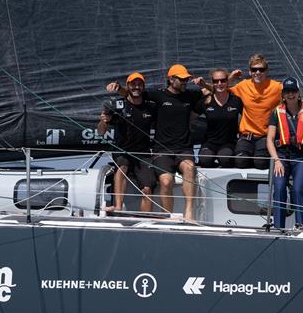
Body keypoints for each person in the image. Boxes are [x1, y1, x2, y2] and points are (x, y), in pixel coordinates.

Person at [109, 64, 204, 220]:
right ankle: (168, 218)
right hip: (162, 150)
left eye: (186, 79)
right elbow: (133, 95)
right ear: (171, 79)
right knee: (166, 182)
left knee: (190, 167)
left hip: (183, 148)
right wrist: (118, 88)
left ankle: (189, 212)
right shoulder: (157, 96)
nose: (185, 82)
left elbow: (212, 93)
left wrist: (204, 84)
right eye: (182, 79)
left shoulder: (190, 95)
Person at [98, 72, 157, 213]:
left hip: (142, 154)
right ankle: (118, 206)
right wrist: (103, 120)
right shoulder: (119, 106)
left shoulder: (150, 106)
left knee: (148, 188)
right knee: (123, 166)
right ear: (128, 86)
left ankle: (145, 220)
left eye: (139, 84)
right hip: (122, 150)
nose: (136, 87)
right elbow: (101, 132)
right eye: (133, 84)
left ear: (143, 87)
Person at [266, 78, 303, 229]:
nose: (290, 95)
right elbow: (269, 139)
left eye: (293, 91)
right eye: (287, 92)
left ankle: (301, 226)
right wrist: (276, 160)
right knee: (280, 187)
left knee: (297, 189)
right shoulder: (276, 112)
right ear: (283, 95)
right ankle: (278, 226)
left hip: (301, 157)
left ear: (298, 93)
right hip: (281, 156)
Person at [228, 54, 282, 169]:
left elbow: (294, 96)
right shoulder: (243, 85)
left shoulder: (276, 87)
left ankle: (257, 155)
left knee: (261, 163)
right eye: (254, 69)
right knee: (240, 162)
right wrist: (230, 78)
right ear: (249, 72)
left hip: (265, 136)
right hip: (247, 135)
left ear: (266, 71)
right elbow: (219, 89)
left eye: (261, 69)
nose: (257, 72)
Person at [194, 68, 242, 167]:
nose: (219, 83)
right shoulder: (206, 102)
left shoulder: (236, 101)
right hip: (210, 143)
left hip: (229, 143)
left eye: (223, 80)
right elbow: (191, 117)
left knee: (225, 159)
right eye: (216, 81)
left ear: (227, 81)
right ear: (212, 83)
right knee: (205, 160)